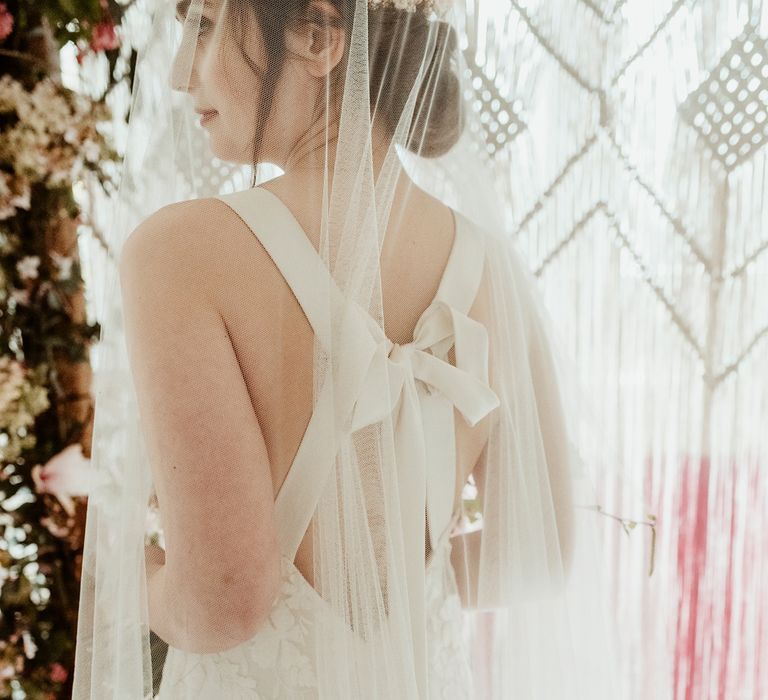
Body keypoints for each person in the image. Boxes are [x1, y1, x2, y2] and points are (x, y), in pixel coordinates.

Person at [72, 0, 621, 697]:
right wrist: (394, 602)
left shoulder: (180, 252)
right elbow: (533, 552)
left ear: (318, 36)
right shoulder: (493, 271)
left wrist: (136, 582)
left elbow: (223, 601)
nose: (182, 73)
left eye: (204, 24)